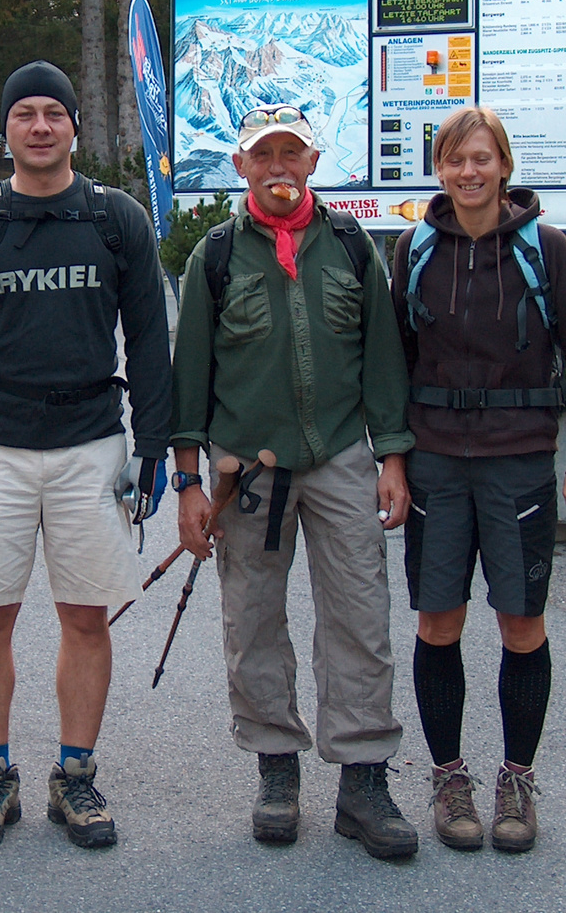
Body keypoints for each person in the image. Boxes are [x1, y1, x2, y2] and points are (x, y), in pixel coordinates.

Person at [0, 61, 172, 851]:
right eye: (24, 113)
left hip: (91, 445)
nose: (39, 126)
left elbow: (151, 341)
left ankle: (76, 776)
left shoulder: (115, 220)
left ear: (73, 128)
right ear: (7, 130)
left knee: (86, 618)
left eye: (53, 113)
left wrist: (151, 446)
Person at [169, 103, 419, 860]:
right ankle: (276, 770)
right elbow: (189, 379)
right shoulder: (212, 258)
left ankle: (364, 782)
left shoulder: (349, 246)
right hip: (247, 469)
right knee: (252, 620)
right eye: (263, 155)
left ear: (314, 163)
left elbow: (383, 357)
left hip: (342, 456)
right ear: (241, 167)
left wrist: (394, 457)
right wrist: (189, 481)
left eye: (292, 153)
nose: (279, 167)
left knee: (360, 616)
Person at [390, 105, 566, 854]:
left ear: (504, 167)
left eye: (481, 159)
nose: (468, 173)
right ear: (440, 170)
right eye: (454, 161)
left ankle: (517, 779)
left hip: (520, 460)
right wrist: (392, 459)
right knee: (437, 622)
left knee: (521, 623)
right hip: (437, 461)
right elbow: (394, 362)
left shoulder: (544, 249)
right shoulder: (415, 248)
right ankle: (451, 778)